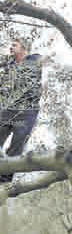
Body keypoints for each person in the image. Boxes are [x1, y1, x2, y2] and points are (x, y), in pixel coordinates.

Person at [0, 38, 42, 183]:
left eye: (14, 45)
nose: (11, 47)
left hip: (27, 111)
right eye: (10, 45)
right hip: (8, 109)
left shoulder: (34, 60)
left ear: (24, 48)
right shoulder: (9, 65)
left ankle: (4, 180)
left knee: (17, 146)